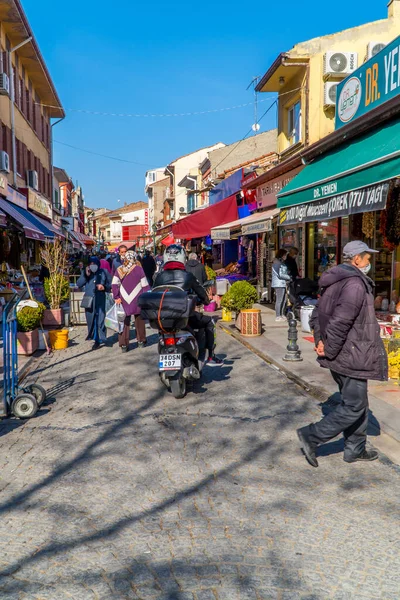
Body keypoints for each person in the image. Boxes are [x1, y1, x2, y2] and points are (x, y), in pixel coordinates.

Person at [297, 241, 388, 468]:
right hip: (351, 353)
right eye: (367, 258)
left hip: (344, 351)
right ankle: (312, 435)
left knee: (357, 402)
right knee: (354, 406)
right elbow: (340, 321)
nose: (369, 262)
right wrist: (328, 347)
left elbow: (318, 314)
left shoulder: (335, 280)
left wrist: (321, 340)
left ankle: (355, 449)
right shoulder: (354, 284)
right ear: (356, 259)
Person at [153, 244, 224, 366]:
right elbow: (201, 293)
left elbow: (154, 292)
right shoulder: (188, 276)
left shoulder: (159, 276)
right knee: (209, 322)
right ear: (182, 257)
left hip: (163, 318)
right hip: (184, 317)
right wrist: (206, 301)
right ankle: (211, 356)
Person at [112, 251, 150, 352]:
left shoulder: (119, 270)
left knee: (124, 322)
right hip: (138, 299)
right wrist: (146, 297)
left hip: (123, 299)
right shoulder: (139, 269)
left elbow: (114, 284)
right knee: (140, 321)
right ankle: (141, 340)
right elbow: (145, 285)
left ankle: (124, 344)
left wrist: (116, 297)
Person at [77, 256, 110, 350]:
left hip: (100, 299)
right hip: (89, 300)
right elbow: (79, 284)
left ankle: (102, 338)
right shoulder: (86, 273)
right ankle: (95, 339)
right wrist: (85, 275)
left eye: (94, 264)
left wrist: (104, 287)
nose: (93, 266)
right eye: (91, 264)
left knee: (100, 319)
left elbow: (110, 284)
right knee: (92, 320)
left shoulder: (104, 272)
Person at [272, 249, 291, 322]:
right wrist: (289, 277)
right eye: (285, 255)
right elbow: (279, 274)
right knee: (279, 300)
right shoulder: (277, 263)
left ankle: (282, 314)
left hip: (282, 283)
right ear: (282, 255)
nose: (286, 256)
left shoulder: (280, 262)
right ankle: (278, 315)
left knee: (284, 300)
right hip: (279, 283)